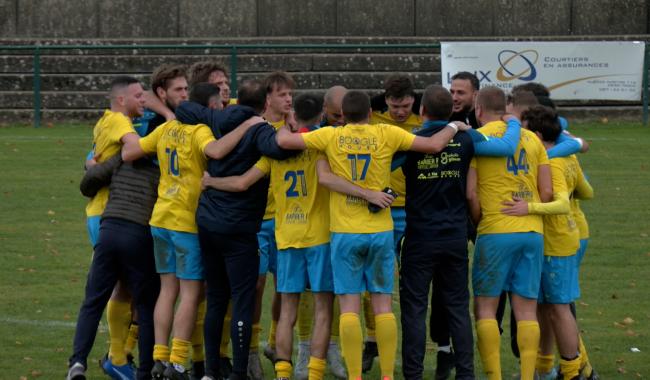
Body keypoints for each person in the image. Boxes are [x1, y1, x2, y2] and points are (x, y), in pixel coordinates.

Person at [276, 90, 470, 380]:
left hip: (345, 232)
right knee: (382, 304)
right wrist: (455, 125)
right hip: (379, 231)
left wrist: (290, 122)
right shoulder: (386, 132)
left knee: (350, 306)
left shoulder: (330, 135)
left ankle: (355, 375)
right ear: (370, 112)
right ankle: (388, 375)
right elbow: (433, 145)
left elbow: (283, 141)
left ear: (344, 113)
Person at [121, 100, 262, 379]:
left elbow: (130, 152)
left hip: (160, 218)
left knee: (167, 289)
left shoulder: (166, 129)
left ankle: (159, 357)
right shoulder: (199, 131)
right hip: (185, 222)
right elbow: (217, 150)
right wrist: (249, 124)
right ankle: (176, 361)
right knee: (189, 293)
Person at [202, 93, 338, 380]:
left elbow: (241, 183)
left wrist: (211, 181)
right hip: (318, 238)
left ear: (293, 115)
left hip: (287, 236)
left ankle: (283, 373)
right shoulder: (323, 144)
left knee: (287, 308)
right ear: (320, 115)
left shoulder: (274, 150)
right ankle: (314, 374)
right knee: (323, 308)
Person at [397, 84, 523, 380]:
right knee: (456, 306)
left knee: (414, 309)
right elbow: (506, 147)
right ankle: (465, 374)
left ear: (422, 111)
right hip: (454, 236)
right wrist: (513, 120)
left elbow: (383, 161)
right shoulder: (466, 138)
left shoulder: (410, 140)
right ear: (451, 111)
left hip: (419, 238)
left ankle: (413, 375)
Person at [176, 79, 296, 380]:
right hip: (238, 227)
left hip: (208, 221)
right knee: (242, 299)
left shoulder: (217, 117)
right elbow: (279, 150)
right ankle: (239, 371)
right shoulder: (260, 131)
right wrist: (291, 128)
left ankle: (210, 371)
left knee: (216, 297)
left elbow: (186, 108)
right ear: (265, 102)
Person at [466, 87, 552, 380]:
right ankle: (528, 376)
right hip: (531, 229)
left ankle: (494, 376)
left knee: (486, 309)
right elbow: (548, 191)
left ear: (478, 109)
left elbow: (471, 193)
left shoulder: (478, 138)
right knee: (526, 310)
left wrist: (478, 221)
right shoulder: (532, 139)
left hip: (496, 230)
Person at [67, 76, 145, 380]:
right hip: (109, 215)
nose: (143, 99)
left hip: (100, 214)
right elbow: (134, 147)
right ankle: (117, 358)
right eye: (138, 95)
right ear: (122, 100)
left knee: (118, 288)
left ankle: (88, 361)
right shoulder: (117, 121)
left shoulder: (105, 121)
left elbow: (95, 158)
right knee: (121, 289)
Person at [500, 106, 583, 380]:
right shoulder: (565, 156)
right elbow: (588, 191)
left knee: (559, 308)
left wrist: (530, 208)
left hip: (555, 243)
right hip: (562, 238)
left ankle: (573, 372)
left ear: (535, 133)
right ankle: (545, 369)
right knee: (545, 308)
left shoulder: (554, 162)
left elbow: (558, 203)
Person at [254, 71, 296, 379]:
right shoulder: (256, 127)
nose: (289, 99)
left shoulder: (293, 130)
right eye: (283, 94)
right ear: (268, 98)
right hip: (258, 221)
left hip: (286, 222)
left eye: (290, 94)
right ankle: (252, 349)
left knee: (286, 287)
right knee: (256, 286)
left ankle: (273, 341)